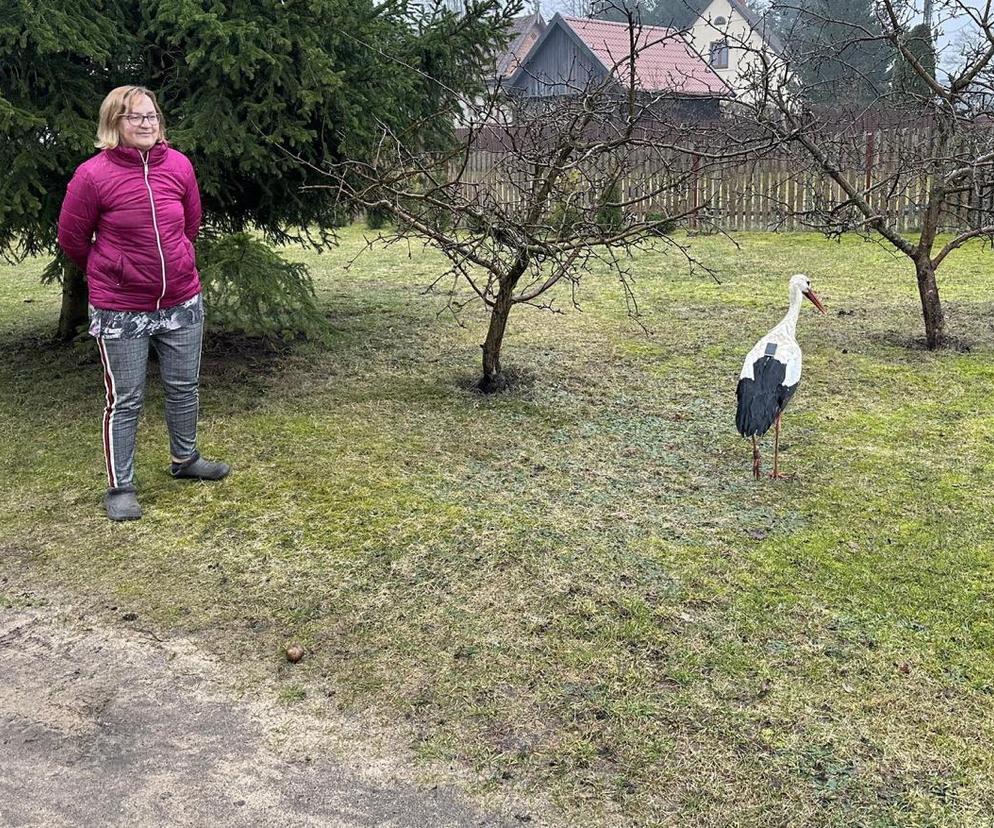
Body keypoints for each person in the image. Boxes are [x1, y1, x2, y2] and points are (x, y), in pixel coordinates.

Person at [58, 85, 229, 522]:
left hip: (181, 301)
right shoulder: (92, 175)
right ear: (115, 122)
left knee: (183, 387)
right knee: (126, 399)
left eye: (152, 116)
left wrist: (179, 261)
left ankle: (186, 460)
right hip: (121, 309)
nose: (147, 123)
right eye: (136, 117)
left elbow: (190, 223)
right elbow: (73, 240)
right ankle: (121, 486)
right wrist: (111, 269)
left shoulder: (179, 165)